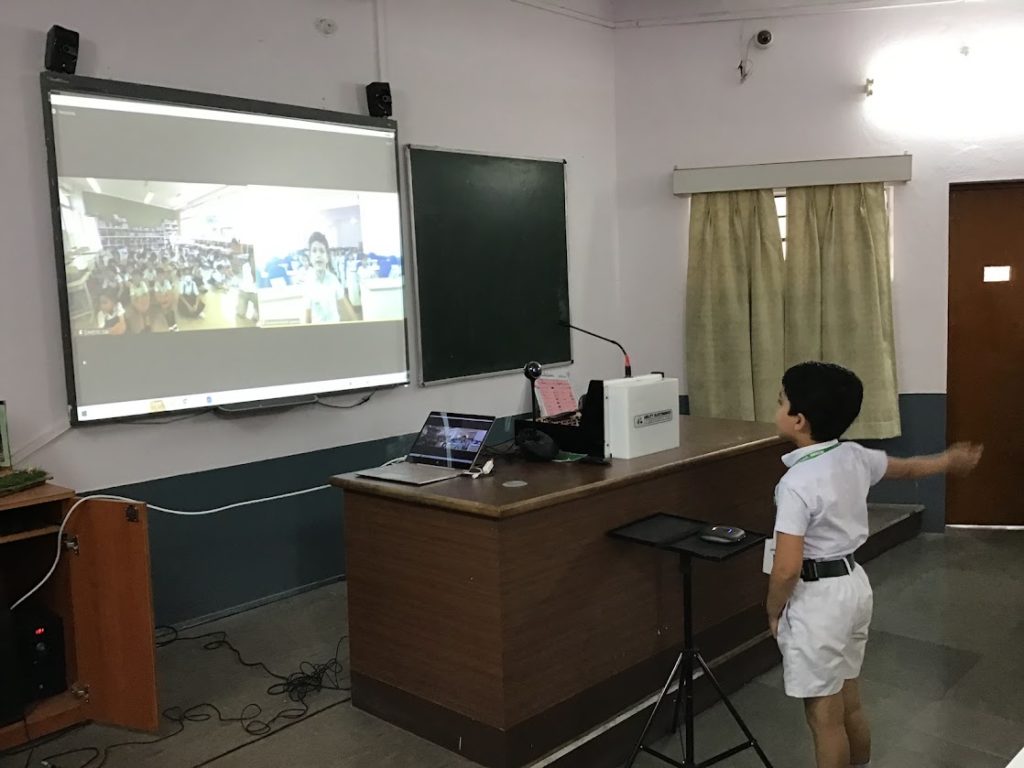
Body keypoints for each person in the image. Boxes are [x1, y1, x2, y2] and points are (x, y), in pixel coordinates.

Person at [768, 362, 982, 768]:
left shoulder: (795, 483)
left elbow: (786, 568)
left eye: (781, 401)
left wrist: (773, 610)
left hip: (818, 601)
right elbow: (909, 468)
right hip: (853, 586)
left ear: (798, 420)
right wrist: (948, 460)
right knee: (850, 702)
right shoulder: (853, 455)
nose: (776, 408)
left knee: (823, 719)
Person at [303, 232, 345, 324]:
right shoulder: (307, 283)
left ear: (327, 258)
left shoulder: (333, 280)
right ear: (310, 258)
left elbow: (344, 308)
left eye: (322, 251)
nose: (318, 255)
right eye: (314, 251)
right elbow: (307, 319)